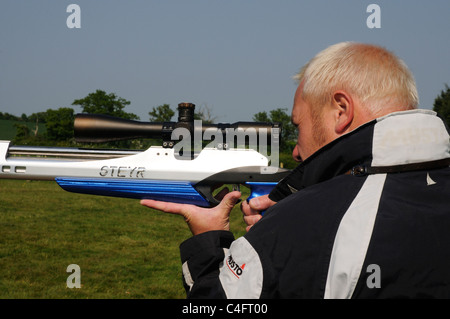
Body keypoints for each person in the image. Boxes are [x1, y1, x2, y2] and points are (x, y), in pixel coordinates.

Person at [141, 42, 450, 298]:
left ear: (341, 111)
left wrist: (212, 237)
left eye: (298, 124)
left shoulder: (295, 226)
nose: (296, 150)